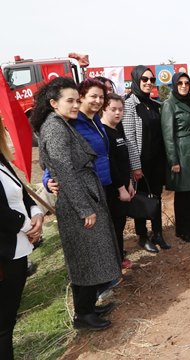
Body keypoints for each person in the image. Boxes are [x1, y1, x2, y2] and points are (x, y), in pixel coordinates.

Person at [30, 77, 121, 331]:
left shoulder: (62, 123)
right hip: (77, 204)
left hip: (83, 194)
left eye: (75, 100)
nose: (75, 104)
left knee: (89, 257)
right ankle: (84, 316)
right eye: (70, 100)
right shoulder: (55, 127)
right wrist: (84, 208)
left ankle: (88, 307)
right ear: (53, 103)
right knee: (86, 258)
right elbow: (64, 170)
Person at [0, 118, 44, 359]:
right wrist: (27, 225)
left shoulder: (1, 158)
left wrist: (36, 212)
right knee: (4, 324)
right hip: (5, 252)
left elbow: (20, 191)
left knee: (8, 318)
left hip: (16, 247)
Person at [123, 66, 170, 252]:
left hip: (157, 161)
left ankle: (158, 233)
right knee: (142, 199)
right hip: (140, 163)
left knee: (156, 197)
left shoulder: (153, 104)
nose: (149, 82)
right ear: (136, 80)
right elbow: (129, 137)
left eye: (152, 80)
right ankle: (142, 236)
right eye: (144, 79)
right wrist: (135, 166)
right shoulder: (129, 105)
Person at [161, 73, 190, 242]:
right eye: (180, 83)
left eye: (186, 83)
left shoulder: (189, 102)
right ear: (174, 85)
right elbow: (168, 135)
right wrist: (173, 161)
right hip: (181, 155)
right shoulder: (169, 104)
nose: (183, 85)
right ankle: (182, 229)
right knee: (183, 195)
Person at [101, 93, 135, 269]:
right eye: (113, 109)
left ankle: (119, 255)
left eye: (120, 109)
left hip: (124, 183)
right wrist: (121, 188)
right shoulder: (104, 133)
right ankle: (116, 260)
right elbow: (111, 163)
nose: (117, 113)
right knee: (114, 225)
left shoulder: (118, 129)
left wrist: (129, 182)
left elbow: (124, 159)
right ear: (104, 109)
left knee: (120, 224)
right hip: (113, 189)